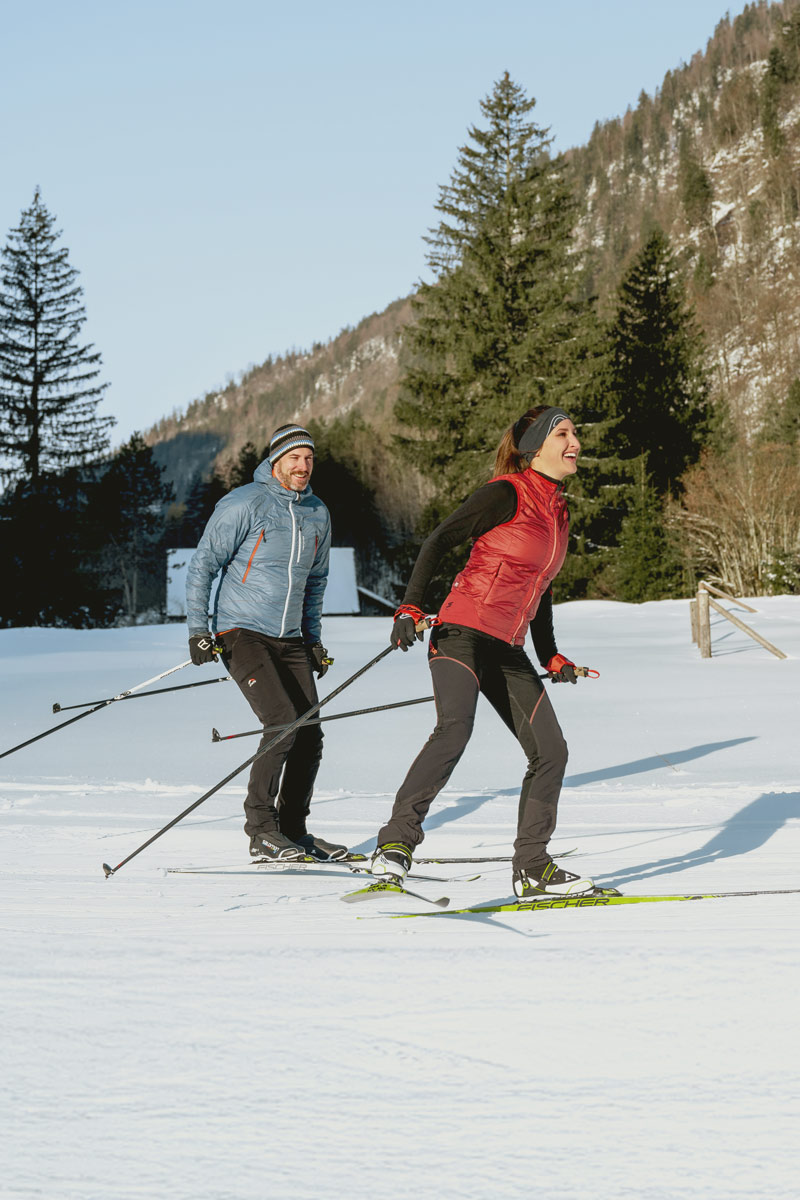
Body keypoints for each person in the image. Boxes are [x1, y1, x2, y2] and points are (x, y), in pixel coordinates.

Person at [370, 405, 596, 898]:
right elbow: (438, 540)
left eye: (575, 433)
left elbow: (541, 587)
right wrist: (409, 606)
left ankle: (532, 866)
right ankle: (394, 844)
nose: (575, 442)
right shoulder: (505, 493)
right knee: (455, 728)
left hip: (508, 647)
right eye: (563, 434)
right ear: (535, 447)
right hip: (462, 633)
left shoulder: (559, 512)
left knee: (551, 752)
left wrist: (550, 655)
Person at [185, 423, 345, 862]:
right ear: (276, 461)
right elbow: (203, 565)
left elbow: (316, 582)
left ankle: (293, 831)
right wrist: (199, 630)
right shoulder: (244, 503)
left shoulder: (317, 512)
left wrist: (313, 640)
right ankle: (261, 831)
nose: (303, 466)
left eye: (309, 458)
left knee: (309, 734)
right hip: (241, 631)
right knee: (282, 721)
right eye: (294, 457)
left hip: (289, 638)